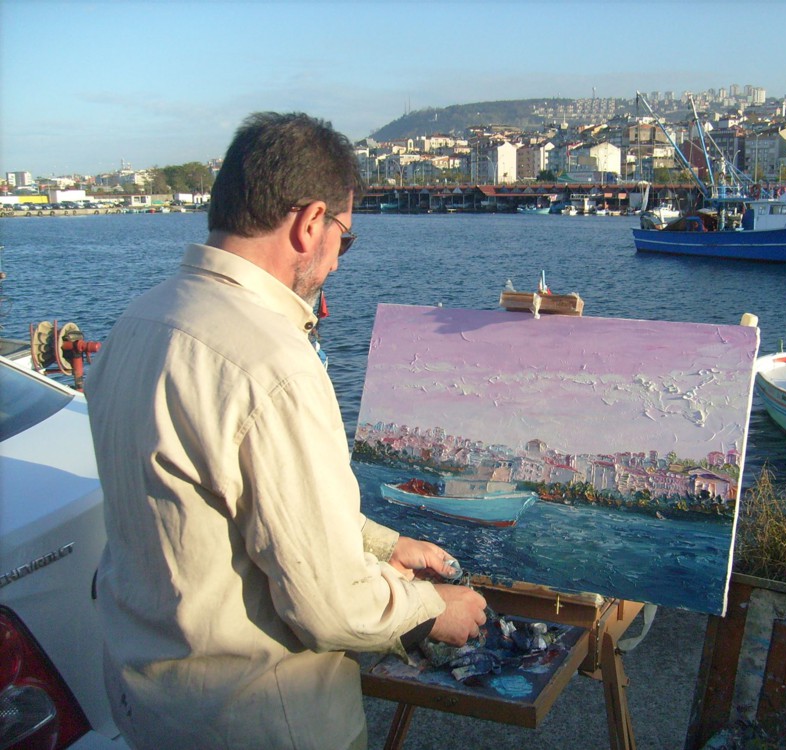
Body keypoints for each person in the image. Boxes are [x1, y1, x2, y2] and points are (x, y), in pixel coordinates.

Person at [86, 112, 487, 750]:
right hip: (256, 720)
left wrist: (382, 545)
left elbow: (223, 510)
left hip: (151, 706)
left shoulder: (138, 321)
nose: (336, 265)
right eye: (343, 240)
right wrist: (435, 609)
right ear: (310, 223)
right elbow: (331, 606)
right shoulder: (274, 364)